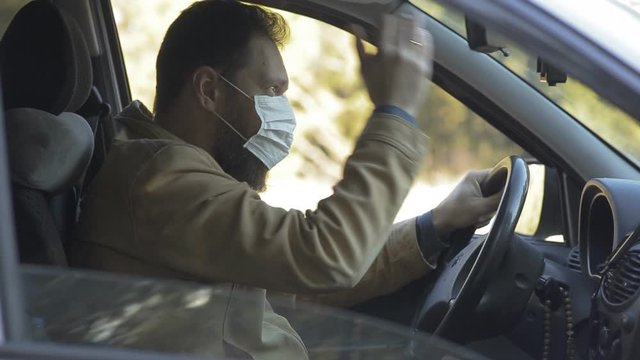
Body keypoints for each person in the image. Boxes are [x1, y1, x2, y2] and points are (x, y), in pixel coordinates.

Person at [71, 0, 501, 358]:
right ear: (208, 90)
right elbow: (322, 256)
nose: (284, 112)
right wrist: (396, 111)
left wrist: (433, 227)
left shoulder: (173, 173)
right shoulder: (160, 182)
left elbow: (294, 280)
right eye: (272, 91)